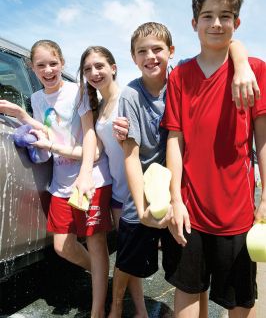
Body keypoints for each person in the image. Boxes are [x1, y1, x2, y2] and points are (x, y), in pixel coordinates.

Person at [110, 21, 261, 318]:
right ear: (132, 57)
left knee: (192, 277)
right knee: (129, 258)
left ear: (171, 51)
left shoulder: (183, 76)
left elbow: (226, 46)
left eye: (157, 49)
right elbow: (131, 157)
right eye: (142, 51)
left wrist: (242, 63)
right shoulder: (130, 96)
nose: (150, 56)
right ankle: (116, 307)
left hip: (182, 193)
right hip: (146, 191)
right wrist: (141, 207)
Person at [161, 0, 266, 318]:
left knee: (240, 300)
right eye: (207, 16)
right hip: (189, 208)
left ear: (236, 23)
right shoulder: (179, 75)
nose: (216, 23)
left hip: (236, 212)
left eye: (225, 16)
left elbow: (262, 140)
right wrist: (175, 199)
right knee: (187, 292)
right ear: (195, 23)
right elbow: (174, 140)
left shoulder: (255, 71)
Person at [0, 40, 112, 318]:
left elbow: (89, 134)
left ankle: (99, 309)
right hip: (60, 182)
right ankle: (101, 277)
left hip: (90, 177)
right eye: (41, 65)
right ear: (32, 67)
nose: (48, 70)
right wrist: (23, 115)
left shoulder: (78, 91)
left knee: (96, 242)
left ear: (62, 62)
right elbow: (50, 132)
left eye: (53, 63)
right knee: (63, 245)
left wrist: (85, 174)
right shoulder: (37, 99)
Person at [78, 46, 148, 318]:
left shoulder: (127, 97)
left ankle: (127, 309)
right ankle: (139, 309)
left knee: (130, 255)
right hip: (117, 190)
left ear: (113, 67)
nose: (94, 73)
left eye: (99, 66)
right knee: (128, 256)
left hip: (134, 189)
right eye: (87, 69)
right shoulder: (99, 103)